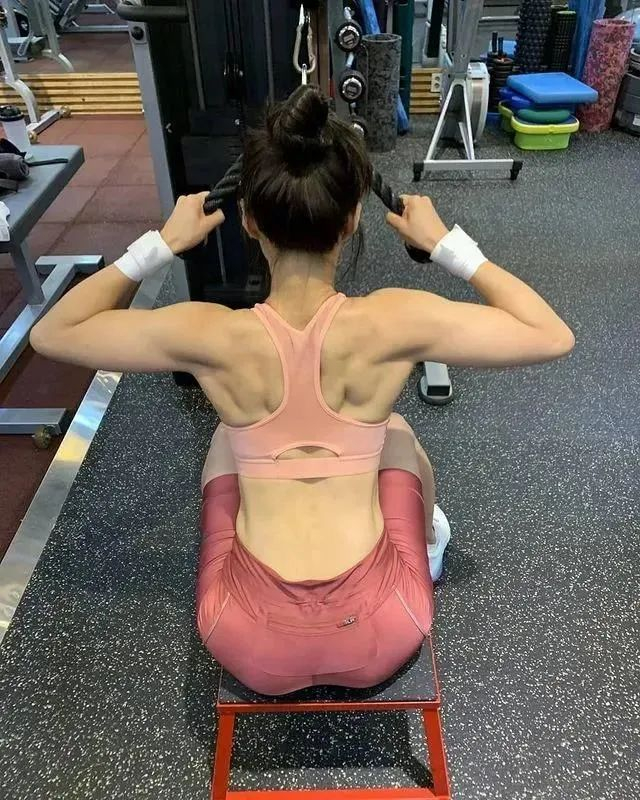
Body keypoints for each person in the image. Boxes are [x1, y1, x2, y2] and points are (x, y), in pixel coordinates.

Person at [30, 85, 574, 695]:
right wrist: (446, 246)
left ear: (248, 221)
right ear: (352, 220)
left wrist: (160, 244)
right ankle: (428, 549)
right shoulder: (396, 319)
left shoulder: (209, 335)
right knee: (396, 433)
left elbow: (54, 332)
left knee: (227, 438)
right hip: (384, 627)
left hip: (245, 640)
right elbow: (550, 334)